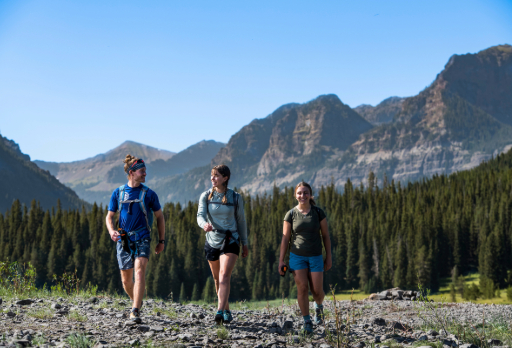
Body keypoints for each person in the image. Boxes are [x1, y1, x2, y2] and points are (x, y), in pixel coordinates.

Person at [106, 154, 165, 323]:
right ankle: (136, 301)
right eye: (142, 171)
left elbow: (160, 217)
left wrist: (161, 241)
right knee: (126, 280)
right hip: (123, 239)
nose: (145, 174)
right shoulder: (118, 193)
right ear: (132, 172)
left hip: (143, 237)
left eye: (145, 171)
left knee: (139, 272)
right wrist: (111, 231)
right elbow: (109, 217)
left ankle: (135, 310)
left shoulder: (150, 194)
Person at [197, 164, 249, 325]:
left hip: (231, 240)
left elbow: (241, 221)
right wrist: (204, 224)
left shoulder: (235, 197)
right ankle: (226, 309)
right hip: (212, 240)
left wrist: (245, 243)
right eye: (212, 175)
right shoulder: (206, 196)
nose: (213, 178)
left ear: (225, 178)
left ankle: (219, 311)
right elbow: (200, 215)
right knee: (216, 278)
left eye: (217, 175)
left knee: (224, 275)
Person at [279, 181, 332, 335]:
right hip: (297, 257)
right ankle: (306, 321)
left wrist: (328, 257)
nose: (303, 195)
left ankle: (318, 306)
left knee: (317, 291)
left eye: (305, 192)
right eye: (300, 193)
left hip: (315, 256)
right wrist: (281, 260)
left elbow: (326, 236)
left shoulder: (318, 212)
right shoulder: (290, 214)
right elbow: (285, 238)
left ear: (310, 194)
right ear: (296, 195)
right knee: (302, 288)